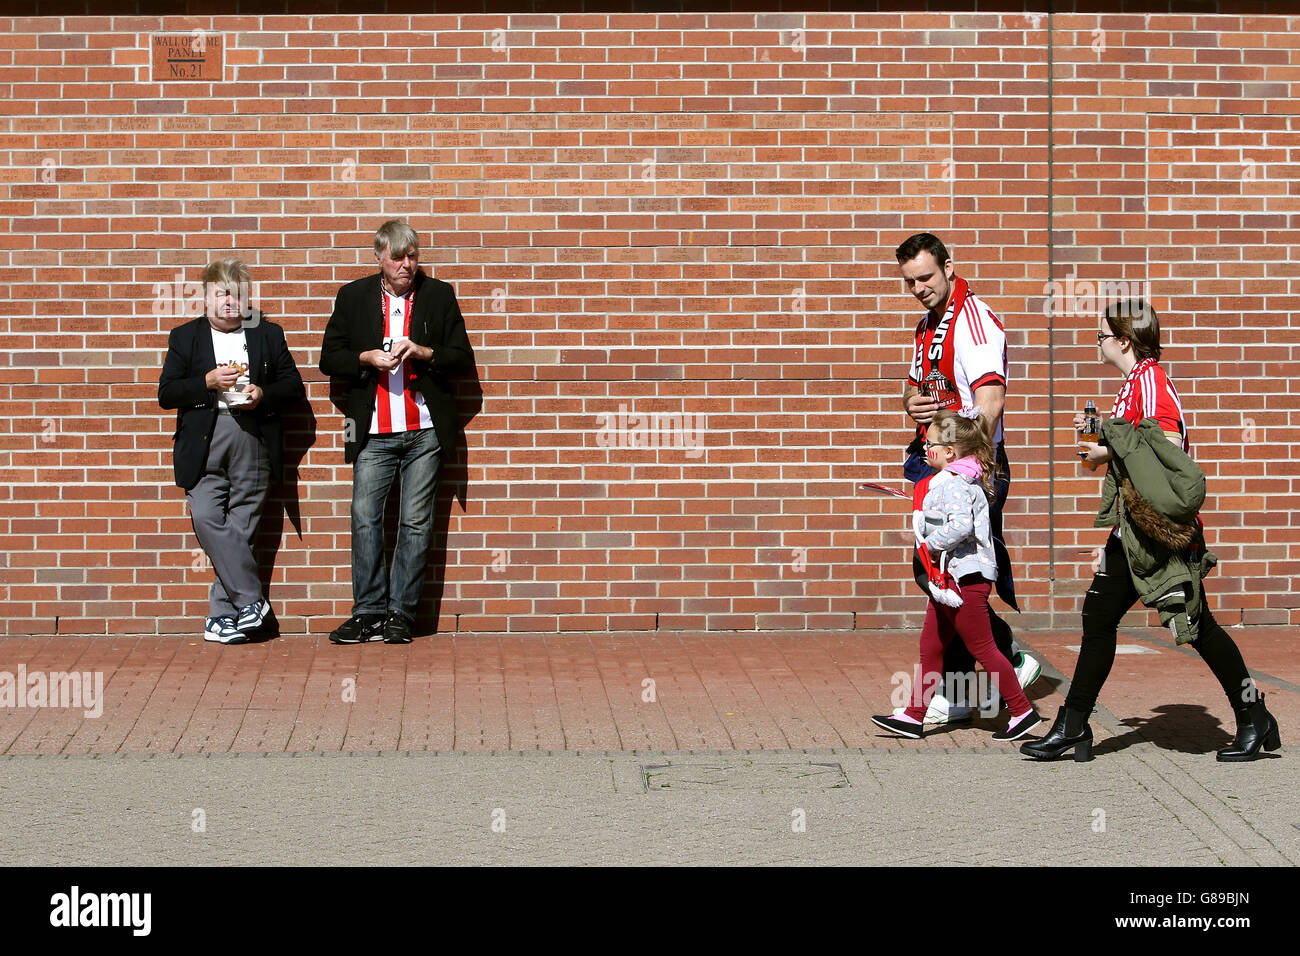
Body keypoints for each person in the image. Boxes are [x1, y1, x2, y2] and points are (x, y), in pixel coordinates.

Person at [1023, 299, 1281, 762]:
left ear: (1124, 340)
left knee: (1199, 627)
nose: (1097, 344)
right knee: (1099, 618)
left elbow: (1169, 450)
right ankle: (1074, 724)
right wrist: (1106, 445)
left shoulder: (1152, 383)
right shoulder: (1135, 384)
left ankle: (1252, 717)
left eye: (1101, 336)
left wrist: (1108, 451)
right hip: (1134, 528)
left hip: (1159, 532)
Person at [893, 233, 1040, 723]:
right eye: (909, 281)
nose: (918, 288)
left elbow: (991, 403)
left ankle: (1011, 658)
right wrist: (910, 404)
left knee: (953, 576)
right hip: (931, 462)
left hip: (965, 470)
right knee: (937, 575)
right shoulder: (927, 323)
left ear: (950, 268)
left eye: (926, 277)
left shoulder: (974, 321)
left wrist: (967, 474)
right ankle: (954, 695)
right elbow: (919, 389)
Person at [319, 219, 475, 645]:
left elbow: (462, 359)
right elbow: (328, 358)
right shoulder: (353, 297)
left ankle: (400, 614)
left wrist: (425, 352)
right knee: (364, 518)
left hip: (424, 430)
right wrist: (366, 357)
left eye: (413, 256)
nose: (407, 264)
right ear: (379, 257)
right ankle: (368, 612)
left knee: (415, 523)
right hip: (372, 429)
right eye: (398, 257)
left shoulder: (438, 295)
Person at [158, 258, 305, 644]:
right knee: (207, 514)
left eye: (237, 294)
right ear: (206, 296)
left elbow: (294, 386)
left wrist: (262, 394)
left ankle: (222, 617)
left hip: (252, 437)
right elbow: (166, 393)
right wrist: (205, 382)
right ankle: (251, 601)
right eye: (222, 293)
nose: (230, 301)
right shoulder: (185, 337)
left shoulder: (267, 335)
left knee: (244, 525)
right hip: (205, 437)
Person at [872, 409, 1042, 742]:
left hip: (965, 579)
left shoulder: (954, 482)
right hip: (950, 580)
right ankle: (913, 716)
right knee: (931, 645)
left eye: (931, 443)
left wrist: (929, 543)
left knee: (984, 649)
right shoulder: (956, 481)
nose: (925, 448)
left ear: (950, 452)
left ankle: (1022, 712)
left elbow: (960, 525)